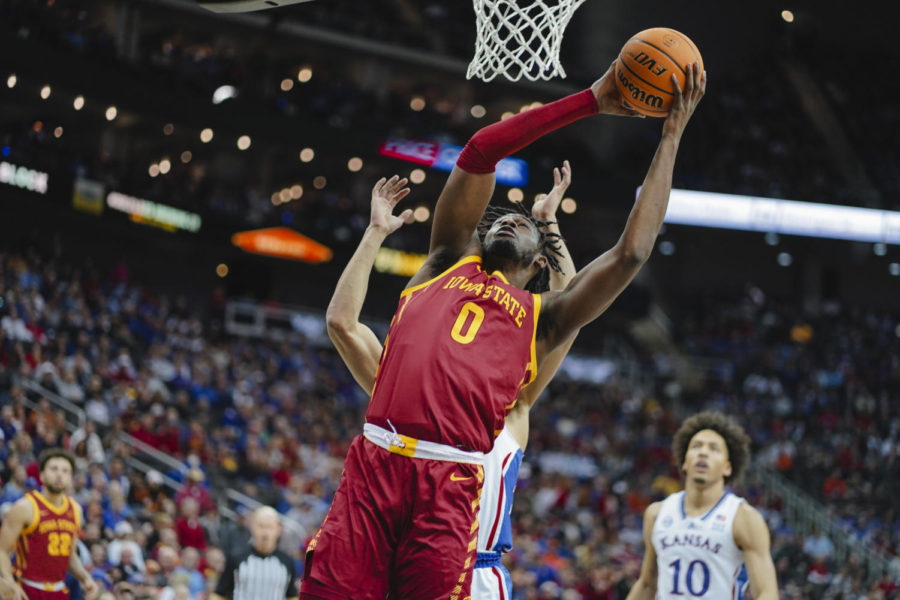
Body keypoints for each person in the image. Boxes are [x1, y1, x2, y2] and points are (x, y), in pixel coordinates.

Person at [300, 60, 706, 600]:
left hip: (450, 486)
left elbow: (631, 252)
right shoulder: (443, 263)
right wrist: (589, 100)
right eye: (504, 216)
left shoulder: (544, 318)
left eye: (527, 224)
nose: (512, 217)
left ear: (540, 263)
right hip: (375, 466)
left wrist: (670, 136)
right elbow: (481, 152)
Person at [325, 163, 578, 599]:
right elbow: (342, 324)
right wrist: (374, 234)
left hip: (478, 572)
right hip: (397, 560)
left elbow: (571, 309)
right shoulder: (402, 395)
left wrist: (548, 221)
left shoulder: (516, 402)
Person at [625, 412, 779, 600]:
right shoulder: (656, 514)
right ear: (684, 462)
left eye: (714, 449)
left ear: (727, 467)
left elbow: (766, 593)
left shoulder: (743, 518)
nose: (703, 452)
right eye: (696, 446)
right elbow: (647, 584)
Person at [0, 448, 99, 600]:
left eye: (65, 471)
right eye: (54, 469)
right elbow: (2, 550)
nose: (60, 474)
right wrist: (9, 582)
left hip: (59, 590)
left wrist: (85, 578)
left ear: (70, 478)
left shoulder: (75, 510)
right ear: (42, 475)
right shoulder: (25, 507)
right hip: (26, 589)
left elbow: (70, 555)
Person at [212, 507, 297, 600]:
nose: (265, 532)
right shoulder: (236, 557)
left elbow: (292, 596)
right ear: (252, 526)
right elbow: (219, 594)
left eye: (270, 527)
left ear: (278, 529)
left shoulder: (287, 562)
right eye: (261, 526)